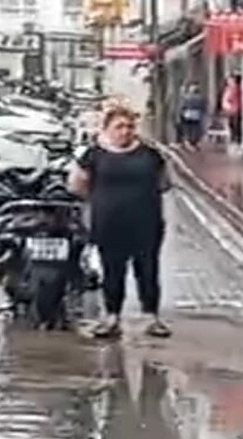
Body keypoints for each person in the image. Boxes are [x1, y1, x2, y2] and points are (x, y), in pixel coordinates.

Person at [70, 105, 172, 340]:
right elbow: (78, 185)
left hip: (146, 222)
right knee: (112, 270)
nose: (125, 131)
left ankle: (151, 317)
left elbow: (164, 183)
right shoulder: (93, 155)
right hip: (109, 223)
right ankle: (112, 317)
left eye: (129, 127)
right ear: (106, 129)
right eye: (119, 127)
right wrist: (102, 201)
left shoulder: (150, 155)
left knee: (148, 269)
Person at [175, 83, 206, 149]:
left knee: (187, 128)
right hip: (196, 115)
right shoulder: (201, 98)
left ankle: (188, 140)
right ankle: (193, 141)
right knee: (194, 128)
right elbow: (203, 108)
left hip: (188, 114)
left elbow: (182, 106)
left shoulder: (186, 97)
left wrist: (181, 113)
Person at [221, 73, 243, 145]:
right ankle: (234, 138)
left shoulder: (234, 88)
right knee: (232, 125)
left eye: (230, 79)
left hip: (235, 109)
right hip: (231, 110)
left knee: (235, 125)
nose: (228, 81)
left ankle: (236, 139)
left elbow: (230, 98)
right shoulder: (229, 88)